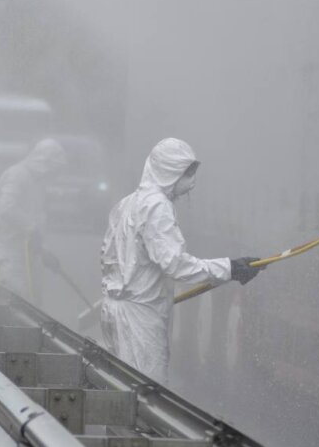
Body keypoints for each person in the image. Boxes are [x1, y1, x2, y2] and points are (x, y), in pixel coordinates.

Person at [99, 138, 263, 383]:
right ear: (168, 171)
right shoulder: (157, 207)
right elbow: (176, 264)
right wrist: (230, 268)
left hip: (114, 311)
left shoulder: (128, 203)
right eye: (186, 173)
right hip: (139, 320)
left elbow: (108, 258)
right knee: (145, 397)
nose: (191, 182)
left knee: (118, 392)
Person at [0, 138, 67, 303]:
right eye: (52, 171)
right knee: (18, 304)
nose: (53, 176)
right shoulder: (17, 175)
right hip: (9, 253)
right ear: (44, 163)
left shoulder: (38, 183)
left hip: (27, 256)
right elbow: (7, 208)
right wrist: (31, 228)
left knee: (34, 306)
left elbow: (34, 224)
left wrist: (44, 252)